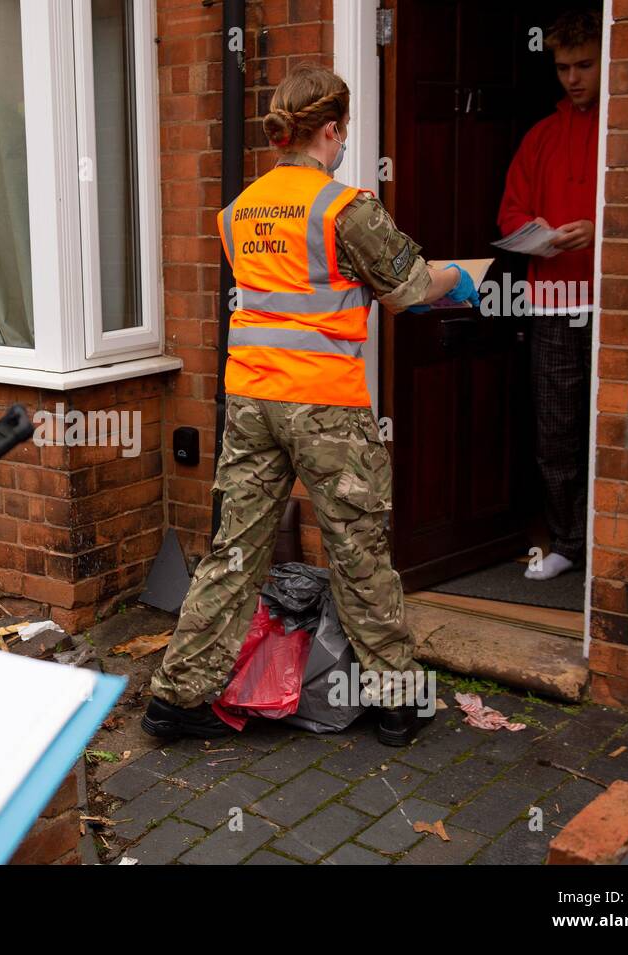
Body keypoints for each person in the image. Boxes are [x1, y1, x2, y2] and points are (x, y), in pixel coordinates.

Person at [144, 65, 478, 746]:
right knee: (358, 549)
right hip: (324, 405)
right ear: (332, 129)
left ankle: (176, 697)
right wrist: (463, 277)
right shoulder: (344, 207)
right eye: (345, 128)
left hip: (250, 400)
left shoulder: (239, 211)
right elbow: (409, 289)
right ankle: (394, 703)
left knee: (234, 549)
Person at [497, 9, 600, 583]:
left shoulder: (624, 128)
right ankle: (567, 542)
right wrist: (535, 231)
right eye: (563, 67)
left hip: (616, 301)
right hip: (553, 301)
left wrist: (599, 229)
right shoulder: (540, 135)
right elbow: (508, 213)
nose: (572, 77)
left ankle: (608, 547)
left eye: (584, 64)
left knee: (610, 429)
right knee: (556, 429)